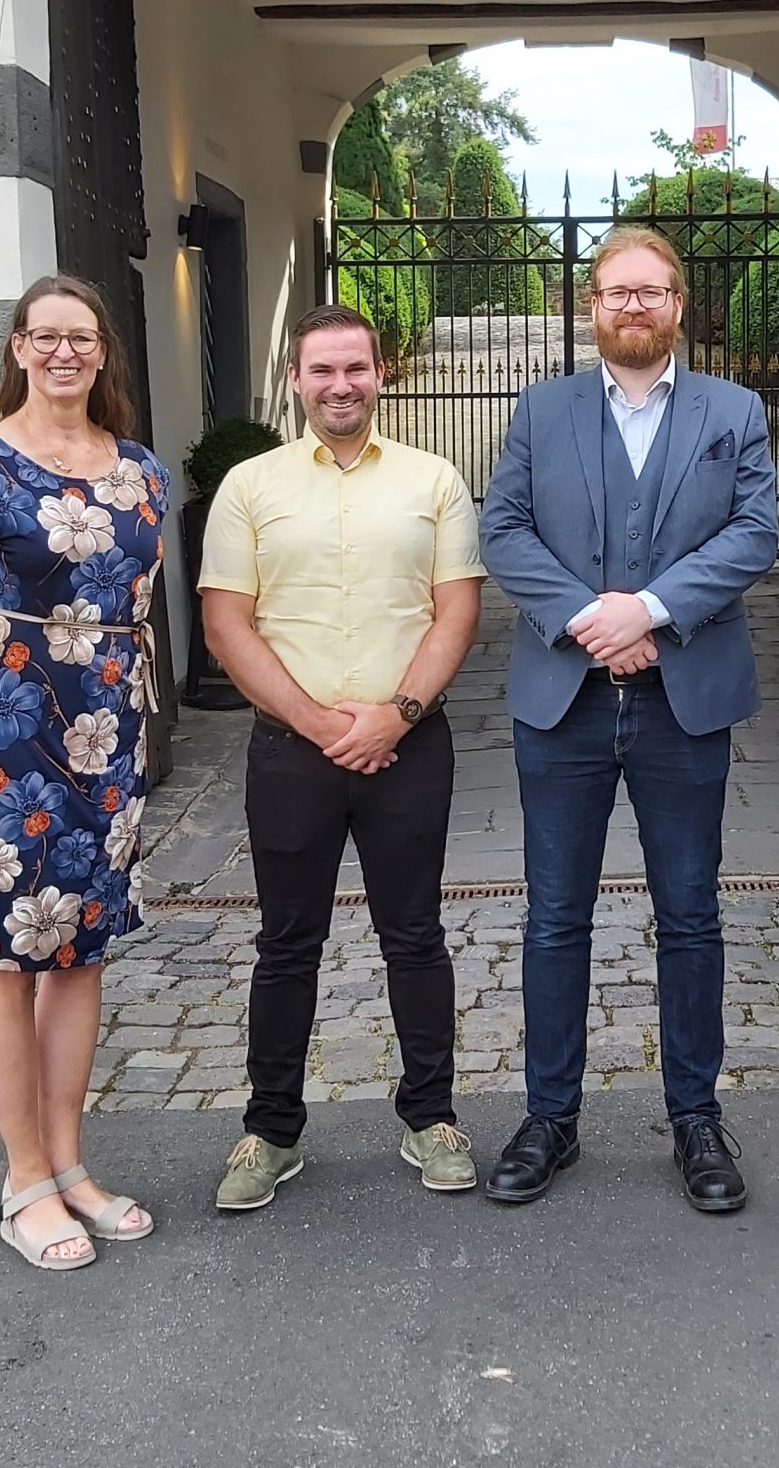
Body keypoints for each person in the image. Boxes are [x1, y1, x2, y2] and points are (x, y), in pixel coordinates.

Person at [479, 225, 778, 1213]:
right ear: (593, 306)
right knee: (554, 918)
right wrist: (588, 619)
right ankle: (549, 1118)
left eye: (651, 291)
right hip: (561, 702)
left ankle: (695, 1117)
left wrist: (646, 610)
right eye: (617, 292)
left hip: (683, 703)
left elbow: (754, 533)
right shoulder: (542, 409)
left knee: (689, 916)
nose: (634, 306)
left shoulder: (732, 411)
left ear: (678, 305)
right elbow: (504, 528)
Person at [198, 303, 485, 1210]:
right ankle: (271, 1131)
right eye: (321, 370)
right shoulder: (249, 485)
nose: (340, 385)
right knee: (287, 943)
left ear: (380, 374)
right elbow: (226, 624)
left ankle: (431, 1117)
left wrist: (396, 716)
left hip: (410, 747)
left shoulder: (433, 480)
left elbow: (457, 611)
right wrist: (322, 725)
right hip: (293, 751)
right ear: (296, 379)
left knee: (416, 935)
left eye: (355, 367)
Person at [0, 273, 166, 1272]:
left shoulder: (139, 470)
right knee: (6, 955)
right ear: (18, 348)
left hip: (109, 730)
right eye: (45, 336)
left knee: (80, 952)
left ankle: (68, 1164)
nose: (65, 352)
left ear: (103, 353)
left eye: (82, 337)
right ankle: (24, 1181)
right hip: (12, 740)